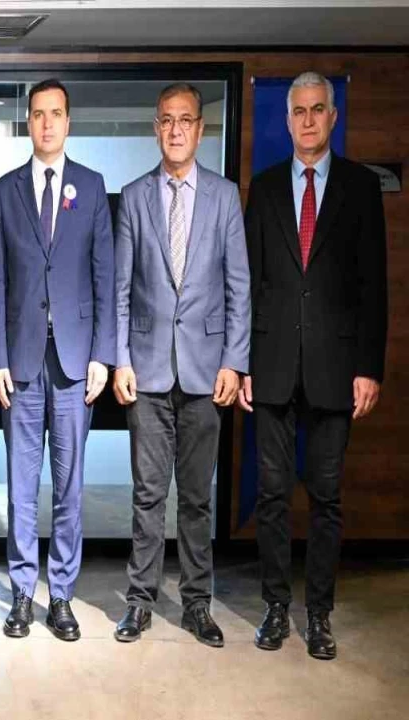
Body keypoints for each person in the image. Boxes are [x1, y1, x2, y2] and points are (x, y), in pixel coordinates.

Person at [242, 72, 387, 661]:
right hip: (272, 364)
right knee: (272, 494)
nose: (307, 120)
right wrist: (242, 363)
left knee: (326, 497)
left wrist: (369, 367)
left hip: (336, 367)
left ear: (333, 115)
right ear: (287, 120)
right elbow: (251, 281)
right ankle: (276, 606)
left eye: (317, 109)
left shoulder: (360, 187)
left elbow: (373, 285)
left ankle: (319, 613)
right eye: (298, 111)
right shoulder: (265, 188)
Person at [111, 84, 250, 647]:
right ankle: (139, 602)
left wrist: (234, 361)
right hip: (146, 372)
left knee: (195, 498)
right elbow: (120, 290)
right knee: (147, 495)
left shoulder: (224, 197)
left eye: (185, 120)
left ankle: (197, 604)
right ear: (155, 128)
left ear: (200, 129)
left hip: (204, 372)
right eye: (166, 120)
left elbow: (238, 287)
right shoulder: (133, 196)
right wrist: (120, 360)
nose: (175, 129)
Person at [0, 79, 115, 642]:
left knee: (68, 485)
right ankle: (21, 592)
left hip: (74, 363)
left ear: (68, 121)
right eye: (37, 114)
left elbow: (105, 276)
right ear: (28, 122)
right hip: (19, 363)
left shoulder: (92, 185)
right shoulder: (6, 190)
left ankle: (61, 594)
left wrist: (103, 355)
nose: (46, 123)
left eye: (55, 114)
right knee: (20, 486)